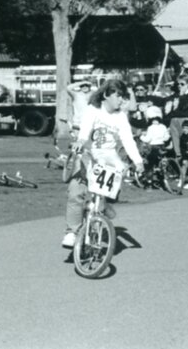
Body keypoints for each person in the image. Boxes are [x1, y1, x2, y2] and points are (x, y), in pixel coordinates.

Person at [62, 79, 144, 248]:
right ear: (106, 95)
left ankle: (103, 207)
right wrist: (81, 140)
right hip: (88, 155)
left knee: (106, 190)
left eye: (124, 97)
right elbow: (85, 128)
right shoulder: (93, 110)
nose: (121, 100)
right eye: (118, 96)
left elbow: (128, 140)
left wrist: (138, 161)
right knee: (76, 192)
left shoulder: (121, 117)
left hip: (108, 158)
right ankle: (72, 231)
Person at [138, 105, 171, 170]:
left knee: (150, 160)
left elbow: (148, 139)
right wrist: (163, 139)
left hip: (153, 146)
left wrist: (141, 136)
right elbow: (167, 136)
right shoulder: (163, 126)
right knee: (159, 158)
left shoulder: (150, 128)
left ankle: (150, 173)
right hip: (162, 145)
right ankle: (161, 169)